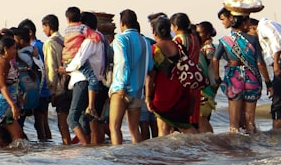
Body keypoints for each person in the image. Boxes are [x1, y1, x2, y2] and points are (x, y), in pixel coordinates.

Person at [210, 13, 272, 134]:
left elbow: (215, 59)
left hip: (234, 79)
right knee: (250, 122)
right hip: (252, 78)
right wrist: (268, 83)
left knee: (234, 124)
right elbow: (260, 63)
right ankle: (252, 148)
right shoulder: (253, 39)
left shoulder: (224, 40)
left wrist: (217, 78)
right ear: (243, 24)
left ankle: (236, 150)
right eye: (247, 21)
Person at [145, 16, 197, 136]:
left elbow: (150, 76)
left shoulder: (155, 49)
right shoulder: (179, 47)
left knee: (163, 129)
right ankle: (199, 147)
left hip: (162, 95)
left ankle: (164, 154)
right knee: (185, 127)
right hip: (181, 93)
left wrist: (148, 98)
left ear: (154, 32)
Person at [108, 9, 153, 145]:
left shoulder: (120, 39)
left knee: (114, 127)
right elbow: (149, 67)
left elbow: (122, 62)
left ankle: (117, 158)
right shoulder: (145, 42)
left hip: (121, 88)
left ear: (122, 23)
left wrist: (121, 85)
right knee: (134, 130)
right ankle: (136, 159)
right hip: (138, 91)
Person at [60, 12, 105, 145]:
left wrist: (66, 69)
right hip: (95, 80)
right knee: (84, 119)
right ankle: (89, 148)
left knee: (72, 119)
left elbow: (79, 59)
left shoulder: (90, 41)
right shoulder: (101, 39)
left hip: (82, 79)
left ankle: (85, 146)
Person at [42, 14, 72, 144]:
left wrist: (51, 90)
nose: (43, 30)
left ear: (48, 26)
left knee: (62, 122)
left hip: (60, 87)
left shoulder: (49, 43)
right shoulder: (63, 39)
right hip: (70, 83)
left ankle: (67, 146)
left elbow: (51, 68)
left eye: (44, 27)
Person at [171, 12, 203, 132]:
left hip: (182, 81)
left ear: (176, 27)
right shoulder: (194, 39)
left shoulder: (178, 39)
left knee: (180, 120)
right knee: (193, 117)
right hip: (194, 79)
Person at [194, 20, 217, 133]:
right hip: (207, 87)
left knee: (203, 120)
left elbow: (211, 69)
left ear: (207, 34)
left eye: (200, 33)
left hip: (207, 87)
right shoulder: (203, 47)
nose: (198, 35)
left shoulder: (208, 49)